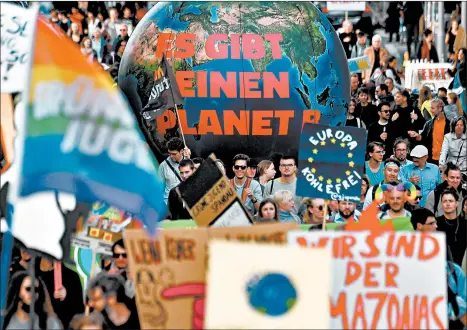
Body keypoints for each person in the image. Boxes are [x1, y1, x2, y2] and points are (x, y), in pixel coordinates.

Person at [410, 208, 467, 329]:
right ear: (419, 226)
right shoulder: (404, 254)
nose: (436, 226)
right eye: (431, 223)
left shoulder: (453, 269)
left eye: (435, 222)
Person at [409, 99, 451, 165]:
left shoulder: (449, 125)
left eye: (432, 108)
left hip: (445, 160)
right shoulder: (428, 124)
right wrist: (417, 136)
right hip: (431, 160)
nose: (431, 110)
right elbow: (423, 138)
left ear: (440, 108)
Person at [436, 189, 466, 266]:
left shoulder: (464, 223)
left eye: (450, 201)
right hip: (442, 266)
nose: (447, 204)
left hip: (462, 267)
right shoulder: (435, 223)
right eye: (444, 201)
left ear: (456, 203)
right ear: (441, 204)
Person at [158, 137, 190, 204]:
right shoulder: (163, 166)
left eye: (174, 154)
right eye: (170, 153)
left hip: (187, 201)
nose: (171, 156)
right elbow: (158, 188)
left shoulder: (188, 160)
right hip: (172, 204)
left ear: (181, 151)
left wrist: (189, 159)